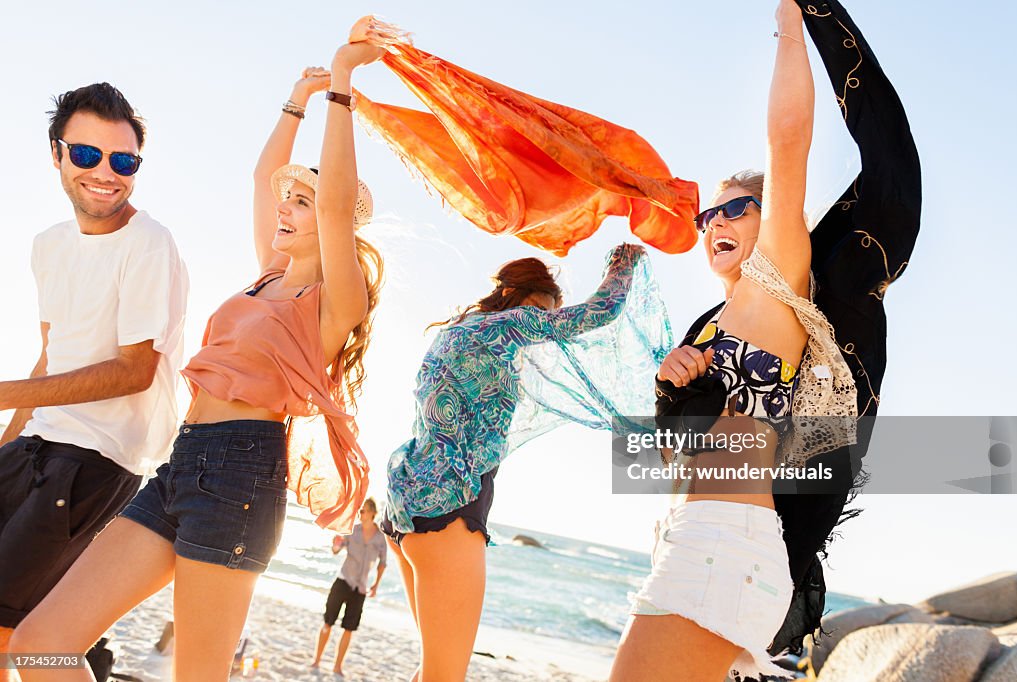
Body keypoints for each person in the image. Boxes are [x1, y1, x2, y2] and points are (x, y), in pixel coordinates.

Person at [10, 21, 386, 681]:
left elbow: (331, 208)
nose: (286, 207)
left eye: (302, 201)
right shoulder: (265, 276)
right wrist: (297, 98)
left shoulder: (332, 304)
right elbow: (260, 177)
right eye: (287, 199)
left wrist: (343, 83)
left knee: (198, 673)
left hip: (242, 475)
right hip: (183, 465)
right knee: (42, 642)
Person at [610, 2, 863, 680]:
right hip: (704, 537)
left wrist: (788, 21)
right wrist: (673, 384)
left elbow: (789, 141)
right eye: (706, 214)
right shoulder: (711, 327)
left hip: (724, 543)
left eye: (734, 208)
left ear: (771, 221)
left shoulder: (774, 287)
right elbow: (677, 459)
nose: (712, 220)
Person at [381, 240, 670, 682]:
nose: (548, 322)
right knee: (445, 677)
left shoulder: (459, 331)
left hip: (405, 503)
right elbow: (601, 312)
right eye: (549, 309)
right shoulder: (510, 325)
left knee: (433, 671)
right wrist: (624, 262)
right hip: (448, 509)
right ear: (530, 298)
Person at [0, 82, 188, 680]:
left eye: (123, 160)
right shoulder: (48, 245)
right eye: (86, 154)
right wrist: (9, 438)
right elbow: (52, 354)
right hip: (33, 447)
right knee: (25, 638)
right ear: (56, 154)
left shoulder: (150, 244)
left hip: (96, 462)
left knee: (16, 634)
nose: (105, 172)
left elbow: (135, 372)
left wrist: (5, 395)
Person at [312, 497, 388, 675]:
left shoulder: (380, 538)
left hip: (360, 589)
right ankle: (316, 660)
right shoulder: (352, 529)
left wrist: (376, 585)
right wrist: (335, 544)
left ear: (372, 514)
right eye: (360, 510)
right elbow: (337, 549)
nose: (360, 513)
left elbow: (382, 563)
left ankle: (337, 666)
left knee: (349, 628)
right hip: (342, 581)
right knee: (327, 622)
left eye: (363, 511)